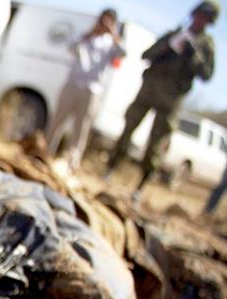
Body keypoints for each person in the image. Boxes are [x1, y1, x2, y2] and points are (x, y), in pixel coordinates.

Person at [105, 1, 218, 194]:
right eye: (199, 16)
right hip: (149, 91)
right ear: (194, 14)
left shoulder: (206, 45)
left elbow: (206, 75)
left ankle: (140, 187)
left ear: (210, 22)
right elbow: (146, 54)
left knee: (156, 144)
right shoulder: (174, 34)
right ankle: (110, 170)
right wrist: (169, 45)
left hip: (171, 100)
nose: (200, 21)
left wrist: (195, 55)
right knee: (128, 129)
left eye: (205, 19)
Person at [46, 9, 125, 170]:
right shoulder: (85, 37)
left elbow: (123, 54)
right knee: (58, 120)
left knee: (81, 128)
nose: (103, 25)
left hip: (92, 91)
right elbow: (70, 47)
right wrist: (90, 34)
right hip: (73, 84)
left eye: (107, 22)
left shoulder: (111, 44)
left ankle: (71, 163)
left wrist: (113, 35)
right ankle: (45, 152)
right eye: (102, 20)